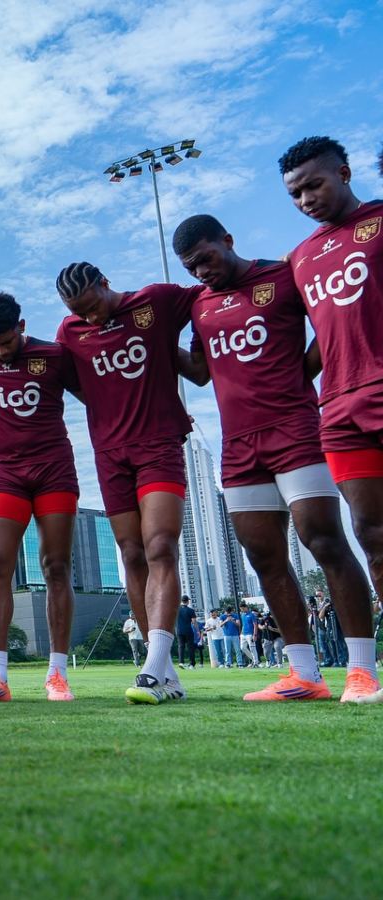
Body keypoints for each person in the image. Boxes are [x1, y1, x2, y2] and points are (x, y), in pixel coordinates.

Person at [173, 212, 374, 700]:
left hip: (296, 430)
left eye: (206, 259)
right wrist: (157, 344)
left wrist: (297, 375)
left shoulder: (285, 275)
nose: (201, 272)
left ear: (228, 239)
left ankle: (362, 670)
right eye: (190, 267)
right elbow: (200, 372)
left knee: (324, 540)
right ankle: (304, 674)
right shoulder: (200, 305)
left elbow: (330, 323)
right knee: (264, 556)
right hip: (239, 444)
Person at [55, 263, 199, 704]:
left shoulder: (155, 301)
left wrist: (184, 361)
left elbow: (210, 301)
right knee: (132, 554)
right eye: (80, 313)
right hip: (110, 454)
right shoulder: (69, 330)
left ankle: (154, 665)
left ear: (106, 283)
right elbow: (71, 380)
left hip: (158, 445)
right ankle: (164, 671)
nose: (91, 319)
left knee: (159, 546)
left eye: (94, 307)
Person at [280, 135, 383, 703]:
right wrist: (297, 375)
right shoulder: (301, 257)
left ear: (344, 173)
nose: (305, 199)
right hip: (338, 408)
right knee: (370, 534)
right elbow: (324, 330)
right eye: (295, 193)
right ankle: (366, 672)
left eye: (314, 185)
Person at [0, 293, 79, 702]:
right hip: (6, 473)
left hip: (54, 471)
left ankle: (57, 674)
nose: (1, 352)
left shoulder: (55, 355)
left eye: (7, 342)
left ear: (22, 327)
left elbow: (101, 395)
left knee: (56, 565)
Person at [175, 596, 198, 669]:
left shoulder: (177, 609)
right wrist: (197, 630)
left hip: (179, 630)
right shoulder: (190, 610)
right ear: (187, 601)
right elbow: (194, 622)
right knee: (190, 647)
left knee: (181, 646)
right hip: (188, 630)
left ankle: (181, 662)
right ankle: (191, 664)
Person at [238, 603, 261, 668]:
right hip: (243, 634)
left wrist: (255, 635)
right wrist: (241, 633)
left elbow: (255, 625)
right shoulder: (242, 615)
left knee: (252, 648)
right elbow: (243, 625)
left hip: (250, 634)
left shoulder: (252, 615)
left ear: (246, 607)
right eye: (241, 609)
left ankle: (256, 663)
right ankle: (254, 660)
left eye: (242, 608)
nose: (242, 610)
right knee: (242, 648)